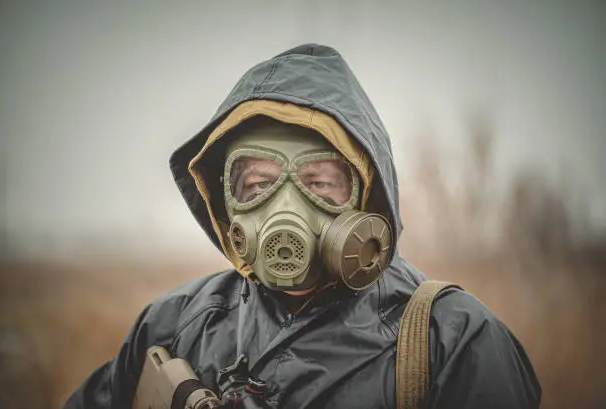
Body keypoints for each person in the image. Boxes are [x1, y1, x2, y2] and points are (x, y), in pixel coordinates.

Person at [63, 44, 541, 409]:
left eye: (319, 182)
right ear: (228, 209)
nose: (285, 208)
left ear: (365, 199)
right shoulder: (173, 326)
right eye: (257, 184)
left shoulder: (452, 339)